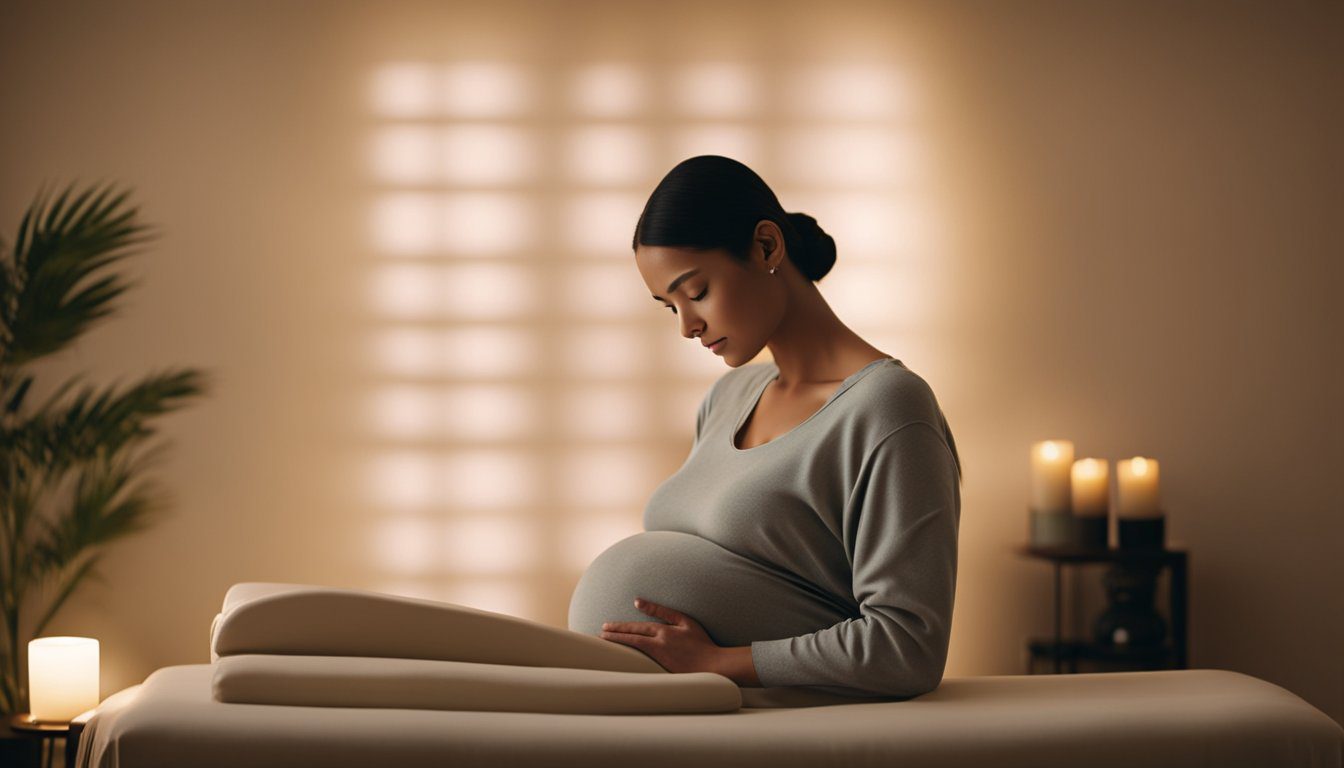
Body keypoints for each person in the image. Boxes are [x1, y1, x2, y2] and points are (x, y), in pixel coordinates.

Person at [567, 155, 964, 700]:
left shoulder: (889, 409)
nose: (687, 326)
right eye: (669, 306)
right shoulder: (728, 397)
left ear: (767, 247)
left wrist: (723, 662)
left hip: (778, 729)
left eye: (697, 291)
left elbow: (907, 646)